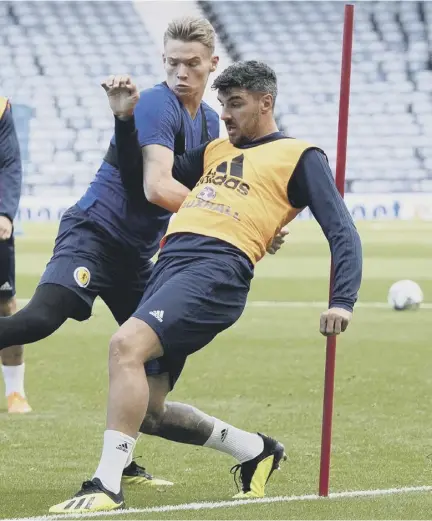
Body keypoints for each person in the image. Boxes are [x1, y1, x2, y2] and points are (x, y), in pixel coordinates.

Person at [49, 61, 362, 514]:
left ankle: (106, 484)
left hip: (216, 270)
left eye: (236, 104)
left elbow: (342, 231)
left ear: (265, 102)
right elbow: (143, 175)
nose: (227, 115)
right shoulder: (215, 151)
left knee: (125, 346)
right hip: (169, 266)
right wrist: (123, 119)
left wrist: (343, 301)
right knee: (150, 413)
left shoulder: (300, 155)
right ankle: (254, 450)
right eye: (223, 105)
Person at [0, 16, 221, 485]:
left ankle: (124, 457)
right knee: (39, 320)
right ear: (164, 60)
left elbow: (212, 183)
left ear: (213, 64)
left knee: (165, 345)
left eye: (192, 64)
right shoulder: (158, 104)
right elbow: (154, 186)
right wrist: (226, 215)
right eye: (172, 62)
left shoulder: (209, 120)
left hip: (135, 255)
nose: (181, 72)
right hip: (93, 234)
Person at [0, 96, 31, 414]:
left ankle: (15, 392)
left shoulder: (0, 107)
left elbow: (9, 162)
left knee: (5, 305)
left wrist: (5, 213)